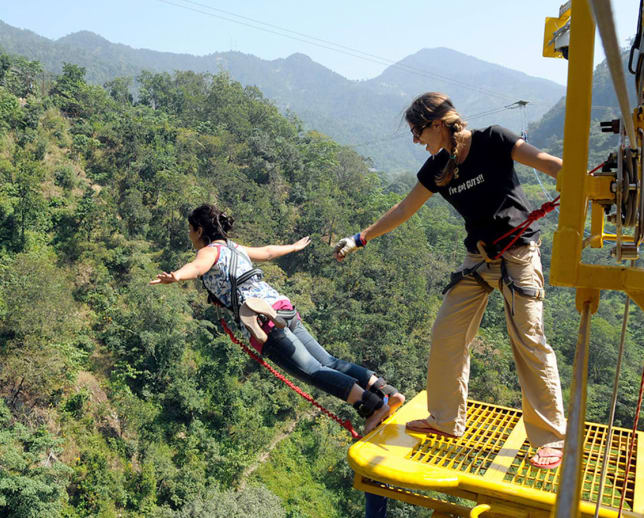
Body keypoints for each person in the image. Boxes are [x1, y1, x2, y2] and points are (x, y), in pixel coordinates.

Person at [334, 92, 566, 469]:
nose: (415, 140)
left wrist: (578, 180)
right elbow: (404, 209)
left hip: (518, 253)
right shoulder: (437, 169)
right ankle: (446, 420)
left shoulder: (493, 139)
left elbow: (546, 163)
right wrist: (361, 238)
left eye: (417, 131)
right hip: (478, 257)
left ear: (438, 124)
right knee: (447, 333)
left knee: (528, 339)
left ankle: (551, 437)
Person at [150, 203, 405, 434]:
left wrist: (176, 276)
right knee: (328, 360)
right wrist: (293, 247)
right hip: (282, 308)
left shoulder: (208, 251)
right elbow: (269, 252)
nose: (189, 235)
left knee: (313, 371)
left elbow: (196, 268)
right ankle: (386, 392)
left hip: (263, 320)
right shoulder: (234, 248)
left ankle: (372, 407)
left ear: (198, 230)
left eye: (190, 230)